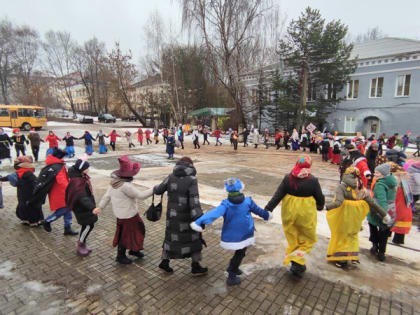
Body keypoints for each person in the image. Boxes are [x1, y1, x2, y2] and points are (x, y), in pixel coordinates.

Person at [191, 178, 272, 285]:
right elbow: (259, 211)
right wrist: (267, 215)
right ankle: (231, 274)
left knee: (240, 253)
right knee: (240, 254)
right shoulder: (248, 201)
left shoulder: (226, 204)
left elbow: (213, 213)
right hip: (245, 233)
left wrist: (199, 222)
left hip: (232, 235)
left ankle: (234, 268)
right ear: (241, 188)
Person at [264, 154, 325, 277]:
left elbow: (278, 195)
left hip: (289, 213)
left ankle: (295, 260)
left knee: (293, 237)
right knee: (307, 239)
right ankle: (298, 263)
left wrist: (268, 208)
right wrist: (319, 206)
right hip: (306, 214)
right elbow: (320, 197)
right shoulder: (313, 180)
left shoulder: (288, 178)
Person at [325, 167, 389, 268]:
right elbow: (372, 203)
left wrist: (327, 207)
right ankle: (353, 256)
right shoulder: (361, 188)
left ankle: (342, 260)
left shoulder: (342, 187)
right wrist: (384, 214)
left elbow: (338, 202)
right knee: (353, 235)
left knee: (342, 235)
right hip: (356, 218)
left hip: (344, 216)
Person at [153, 157, 207, 275]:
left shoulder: (170, 176)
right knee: (194, 240)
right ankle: (195, 266)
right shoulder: (192, 179)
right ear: (190, 166)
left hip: (172, 217)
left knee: (171, 239)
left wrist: (154, 188)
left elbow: (158, 190)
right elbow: (194, 201)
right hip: (186, 217)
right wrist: (199, 219)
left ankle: (164, 262)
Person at [99, 156, 153, 264]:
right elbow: (141, 195)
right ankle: (121, 256)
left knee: (132, 231)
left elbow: (106, 196)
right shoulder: (126, 186)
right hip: (128, 215)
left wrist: (100, 207)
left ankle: (134, 250)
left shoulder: (114, 182)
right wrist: (154, 189)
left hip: (121, 214)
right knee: (128, 234)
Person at [66, 156, 100, 256]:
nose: (89, 169)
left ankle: (82, 244)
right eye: (87, 168)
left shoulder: (80, 176)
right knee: (89, 225)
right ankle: (80, 245)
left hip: (84, 207)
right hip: (82, 208)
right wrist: (92, 207)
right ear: (82, 169)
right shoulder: (77, 182)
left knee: (88, 225)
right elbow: (82, 197)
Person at [42, 148, 78, 235]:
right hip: (60, 193)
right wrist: (70, 188)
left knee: (68, 209)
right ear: (59, 157)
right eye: (63, 157)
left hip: (62, 192)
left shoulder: (56, 164)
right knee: (63, 210)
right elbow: (61, 181)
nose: (64, 159)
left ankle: (67, 228)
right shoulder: (57, 166)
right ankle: (47, 221)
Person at [0, 156, 44, 226]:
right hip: (30, 193)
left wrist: (1, 179)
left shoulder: (18, 173)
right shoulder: (29, 174)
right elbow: (36, 183)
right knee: (32, 206)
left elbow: (8, 177)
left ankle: (25, 219)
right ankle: (34, 221)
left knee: (22, 205)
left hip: (21, 192)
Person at [368, 163, 397, 261]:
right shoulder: (392, 181)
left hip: (378, 210)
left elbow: (382, 200)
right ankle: (382, 252)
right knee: (384, 231)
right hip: (391, 209)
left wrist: (384, 214)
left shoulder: (380, 184)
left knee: (372, 225)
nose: (375, 174)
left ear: (383, 174)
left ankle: (375, 245)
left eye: (377, 172)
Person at [390, 167, 413, 245]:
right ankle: (398, 239)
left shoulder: (398, 188)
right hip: (405, 208)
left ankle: (395, 239)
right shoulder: (406, 186)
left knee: (397, 222)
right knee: (401, 223)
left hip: (399, 208)